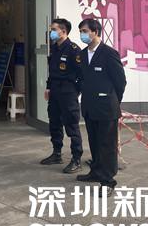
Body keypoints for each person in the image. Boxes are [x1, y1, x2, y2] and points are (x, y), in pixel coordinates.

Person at [76, 18, 126, 197]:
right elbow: (83, 79)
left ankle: (107, 181)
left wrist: (113, 100)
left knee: (107, 145)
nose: (82, 35)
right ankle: (96, 172)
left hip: (106, 108)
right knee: (95, 142)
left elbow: (120, 81)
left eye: (84, 31)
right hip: (90, 107)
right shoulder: (82, 54)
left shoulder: (109, 53)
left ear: (95, 32)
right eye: (80, 32)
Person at [40, 18, 83, 174]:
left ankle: (76, 158)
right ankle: (57, 153)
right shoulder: (54, 48)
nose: (51, 32)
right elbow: (52, 71)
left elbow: (82, 74)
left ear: (63, 31)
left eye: (53, 29)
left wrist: (75, 91)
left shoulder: (73, 49)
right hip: (55, 91)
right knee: (55, 122)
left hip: (68, 92)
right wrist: (48, 87)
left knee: (71, 125)